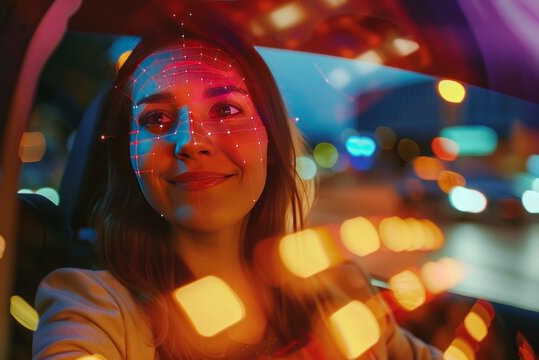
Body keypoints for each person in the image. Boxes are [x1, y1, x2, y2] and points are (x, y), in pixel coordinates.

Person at [32, 5, 441, 360]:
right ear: (129, 161)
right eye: (156, 119)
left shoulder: (340, 290)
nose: (190, 141)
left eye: (226, 109)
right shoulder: (91, 306)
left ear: (271, 141)